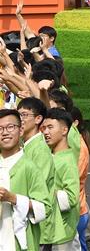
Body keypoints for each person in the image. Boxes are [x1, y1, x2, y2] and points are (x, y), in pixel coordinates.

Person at [0, 108, 52, 251]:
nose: (4, 132)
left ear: (20, 130)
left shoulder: (29, 167)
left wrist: (13, 198)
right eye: (0, 128)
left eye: (10, 127)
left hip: (17, 241)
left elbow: (45, 207)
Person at [42, 109, 80, 251]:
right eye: (44, 128)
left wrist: (44, 191)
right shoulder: (51, 155)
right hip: (50, 229)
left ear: (65, 130)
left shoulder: (67, 160)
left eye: (50, 127)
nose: (46, 132)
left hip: (62, 232)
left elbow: (71, 199)